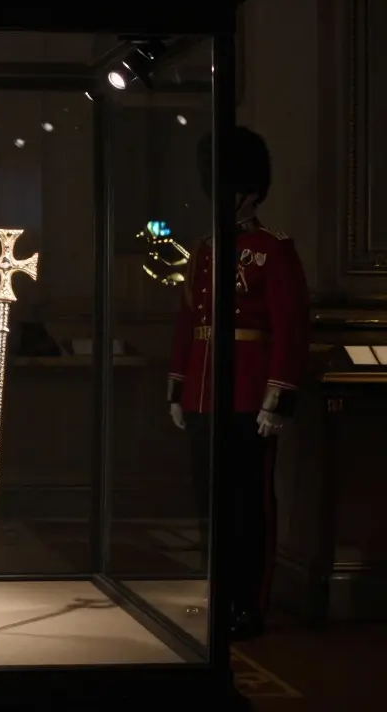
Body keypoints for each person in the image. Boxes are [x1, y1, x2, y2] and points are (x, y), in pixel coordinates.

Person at [166, 126, 309, 640]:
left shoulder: (274, 249)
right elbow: (190, 322)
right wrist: (179, 386)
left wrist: (279, 396)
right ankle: (220, 592)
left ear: (249, 192)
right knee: (211, 499)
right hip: (206, 390)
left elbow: (290, 326)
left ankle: (249, 604)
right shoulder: (205, 249)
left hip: (251, 392)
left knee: (251, 503)